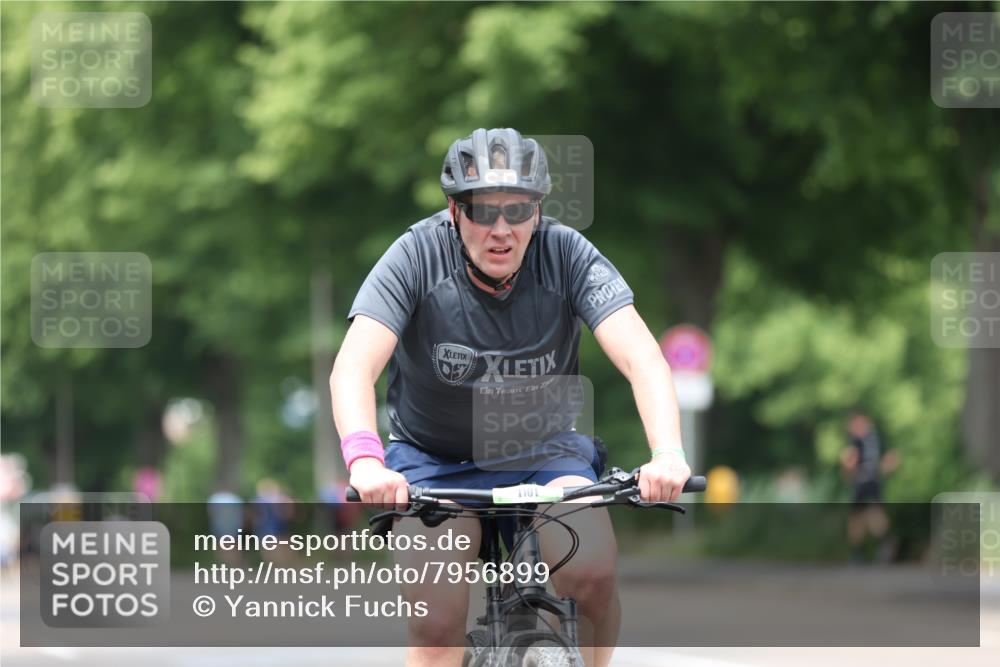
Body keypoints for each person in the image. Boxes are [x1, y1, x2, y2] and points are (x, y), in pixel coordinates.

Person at [330, 128, 691, 667]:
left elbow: (644, 359)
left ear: (538, 212)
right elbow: (352, 368)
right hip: (433, 463)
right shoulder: (415, 255)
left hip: (544, 452)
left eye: (518, 211)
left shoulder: (567, 254)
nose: (501, 230)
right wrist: (364, 461)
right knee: (436, 624)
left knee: (591, 569)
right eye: (482, 211)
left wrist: (667, 454)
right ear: (454, 212)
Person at [840, 410, 899, 563]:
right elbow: (892, 459)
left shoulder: (857, 441)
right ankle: (880, 544)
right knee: (865, 515)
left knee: (862, 517)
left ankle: (863, 551)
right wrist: (881, 472)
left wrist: (849, 471)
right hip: (871, 481)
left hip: (864, 482)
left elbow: (850, 462)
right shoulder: (877, 439)